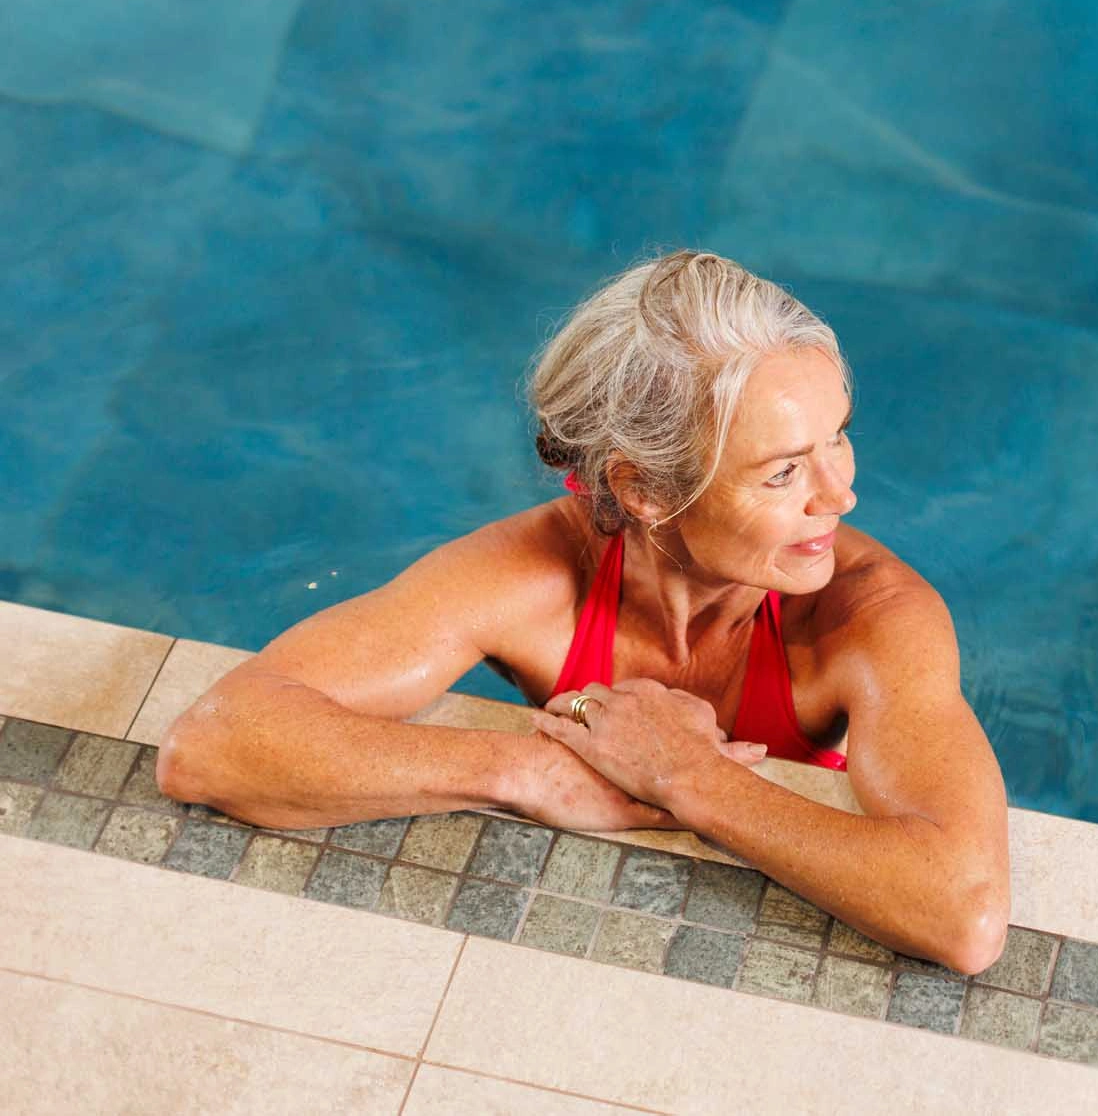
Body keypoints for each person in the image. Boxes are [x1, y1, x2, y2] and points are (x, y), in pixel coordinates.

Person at [157, 250, 1010, 973]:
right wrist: (525, 772)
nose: (843, 491)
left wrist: (689, 777)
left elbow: (963, 911)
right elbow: (213, 742)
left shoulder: (869, 614)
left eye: (838, 436)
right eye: (784, 471)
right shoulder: (533, 575)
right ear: (644, 490)